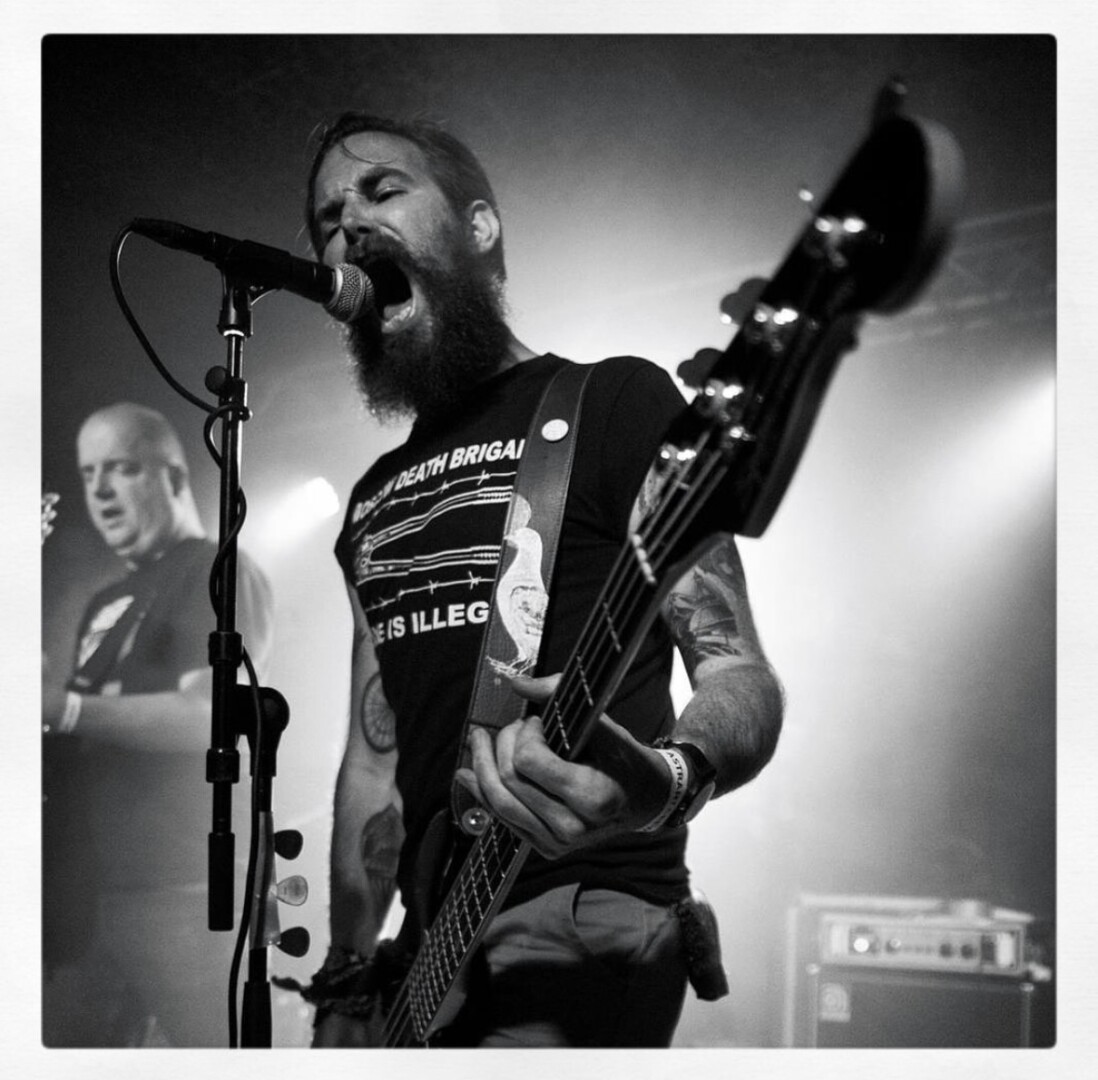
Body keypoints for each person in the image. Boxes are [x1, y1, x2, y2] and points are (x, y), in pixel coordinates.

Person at [301, 114, 784, 1047]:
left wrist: (668, 781)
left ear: (481, 228)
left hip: (580, 918)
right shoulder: (371, 500)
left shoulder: (613, 403)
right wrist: (349, 974)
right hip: (424, 956)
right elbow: (373, 757)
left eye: (383, 190)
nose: (347, 228)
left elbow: (738, 672)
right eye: (325, 218)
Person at [41, 401, 274, 1047]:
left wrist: (64, 707)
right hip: (87, 896)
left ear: (173, 477)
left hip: (182, 892)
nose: (101, 491)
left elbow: (211, 715)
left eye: (121, 469)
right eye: (90, 475)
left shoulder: (216, 568)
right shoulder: (104, 597)